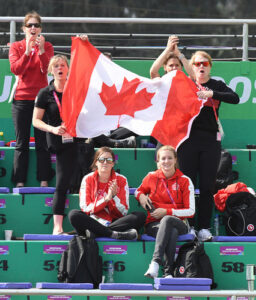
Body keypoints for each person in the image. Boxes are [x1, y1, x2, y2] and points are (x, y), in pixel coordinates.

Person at [152, 36, 240, 241]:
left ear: (210, 67)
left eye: (205, 63)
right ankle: (189, 226)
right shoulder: (185, 84)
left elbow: (234, 98)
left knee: (208, 185)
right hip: (187, 141)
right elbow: (154, 72)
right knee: (188, 184)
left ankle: (204, 227)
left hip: (210, 141)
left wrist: (211, 94)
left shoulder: (216, 85)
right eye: (197, 64)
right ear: (191, 67)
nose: (201, 67)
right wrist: (173, 51)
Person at [9, 11, 54, 188]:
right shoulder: (16, 47)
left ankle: (44, 180)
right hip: (21, 99)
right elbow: (16, 69)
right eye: (30, 25)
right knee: (22, 143)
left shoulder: (47, 46)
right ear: (24, 29)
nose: (33, 28)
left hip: (41, 100)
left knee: (42, 142)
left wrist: (41, 50)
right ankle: (19, 181)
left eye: (36, 25)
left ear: (41, 28)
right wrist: (27, 51)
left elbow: (47, 69)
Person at [32, 54, 77, 235]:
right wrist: (52, 129)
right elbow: (36, 121)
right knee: (62, 181)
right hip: (57, 139)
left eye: (63, 65)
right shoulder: (45, 93)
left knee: (82, 173)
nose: (60, 68)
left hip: (76, 136)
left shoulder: (75, 90)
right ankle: (57, 227)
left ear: (68, 69)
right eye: (56, 66)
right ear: (51, 70)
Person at [135, 145, 195, 278]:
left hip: (179, 223)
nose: (166, 161)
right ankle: (168, 272)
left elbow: (191, 211)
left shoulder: (185, 180)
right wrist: (141, 196)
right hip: (153, 224)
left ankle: (155, 262)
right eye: (163, 158)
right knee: (170, 231)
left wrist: (167, 211)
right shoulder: (151, 176)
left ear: (175, 160)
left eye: (169, 158)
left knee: (167, 220)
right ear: (158, 161)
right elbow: (139, 190)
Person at [69, 146, 146, 239]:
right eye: (101, 159)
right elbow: (85, 208)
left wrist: (114, 197)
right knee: (74, 215)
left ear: (113, 163)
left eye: (109, 160)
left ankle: (97, 232)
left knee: (139, 216)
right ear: (96, 162)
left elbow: (123, 212)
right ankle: (113, 234)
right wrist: (106, 199)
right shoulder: (87, 179)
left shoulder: (121, 179)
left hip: (114, 221)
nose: (105, 162)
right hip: (93, 220)